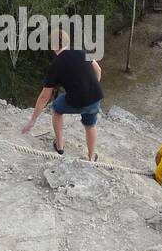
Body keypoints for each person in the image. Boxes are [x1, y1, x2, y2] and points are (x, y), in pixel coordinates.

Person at [21, 30, 103, 162]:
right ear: (67, 41)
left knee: (57, 108)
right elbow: (98, 69)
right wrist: (93, 87)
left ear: (53, 46)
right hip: (95, 97)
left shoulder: (56, 65)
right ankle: (91, 157)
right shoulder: (81, 51)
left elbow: (44, 97)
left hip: (76, 100)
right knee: (90, 125)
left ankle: (60, 146)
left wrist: (33, 120)